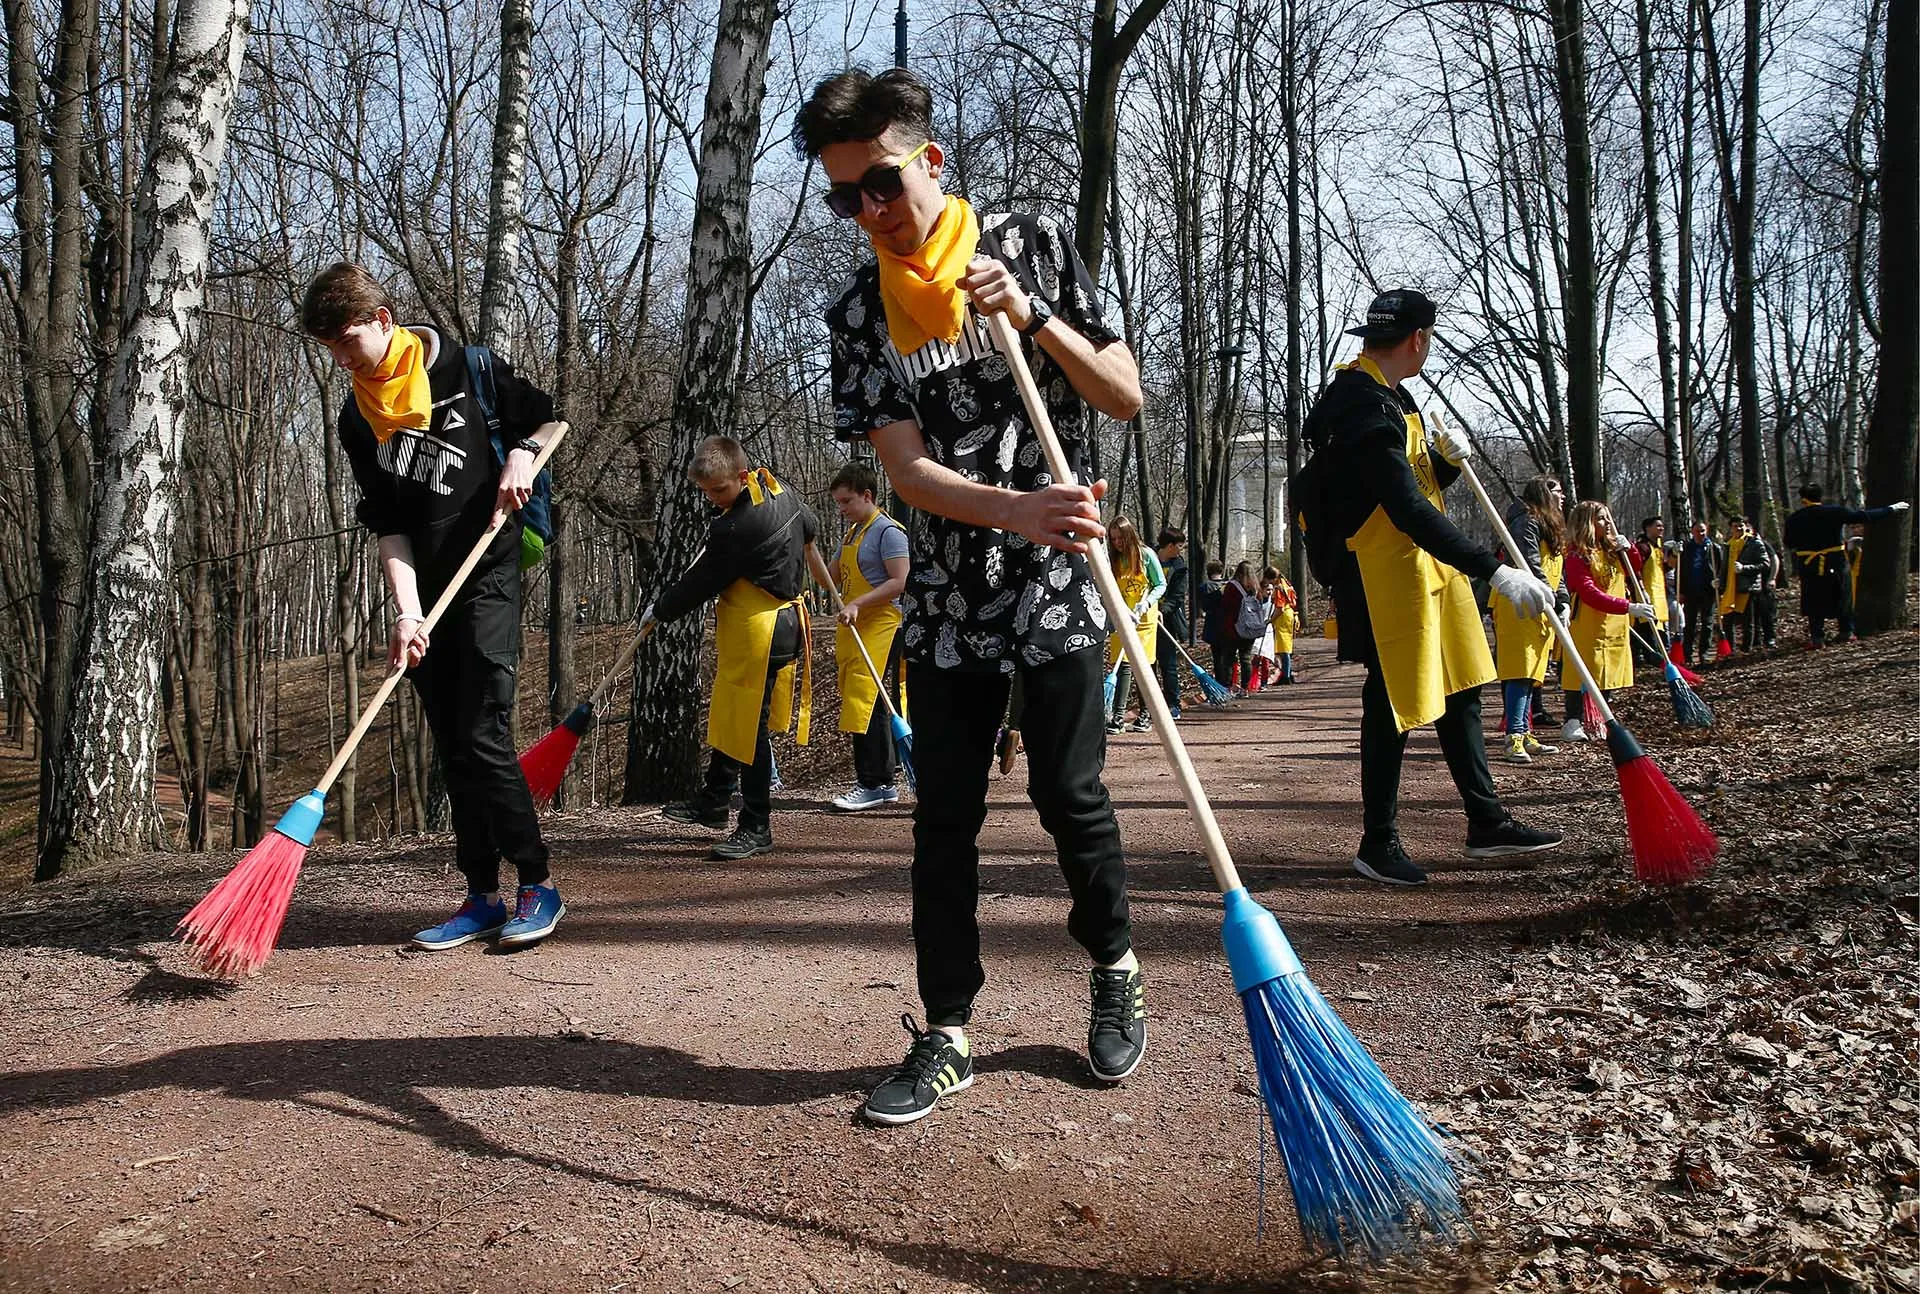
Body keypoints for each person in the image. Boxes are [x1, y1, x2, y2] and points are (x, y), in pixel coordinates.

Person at [802, 67, 1148, 1124]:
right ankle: (946, 1029)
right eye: (843, 197)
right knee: (943, 817)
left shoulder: (1032, 239)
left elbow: (1124, 394)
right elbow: (905, 472)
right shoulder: (859, 311)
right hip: (952, 591)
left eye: (883, 185)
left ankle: (1116, 964)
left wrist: (1035, 315)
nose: (870, 213)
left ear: (932, 162)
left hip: (1055, 578)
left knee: (1067, 794)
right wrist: (1013, 509)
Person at [301, 262, 566, 951]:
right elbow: (389, 524)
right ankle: (480, 896)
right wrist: (406, 613)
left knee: (483, 731)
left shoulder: (466, 367)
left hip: (487, 568)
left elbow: (549, 416)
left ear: (383, 320)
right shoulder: (357, 419)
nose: (340, 358)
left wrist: (522, 457)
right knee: (452, 745)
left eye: (346, 340)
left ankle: (537, 884)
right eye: (329, 348)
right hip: (427, 590)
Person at [1301, 287, 1562, 887]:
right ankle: (1378, 840)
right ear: (1418, 339)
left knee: (1460, 688)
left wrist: (1444, 463)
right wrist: (1493, 569)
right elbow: (1403, 508)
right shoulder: (1361, 404)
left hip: (1424, 571)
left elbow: (1410, 484)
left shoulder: (1394, 396)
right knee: (1392, 701)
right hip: (1381, 571)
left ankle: (1486, 820)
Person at [650, 436, 833, 861]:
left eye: (719, 491)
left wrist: (660, 611)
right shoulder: (779, 488)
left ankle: (756, 824)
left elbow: (703, 581)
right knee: (736, 712)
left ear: (742, 475)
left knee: (750, 726)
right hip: (775, 625)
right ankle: (714, 801)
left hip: (764, 631)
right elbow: (810, 527)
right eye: (706, 492)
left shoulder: (736, 528)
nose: (713, 499)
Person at [824, 461, 912, 811]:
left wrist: (859, 602)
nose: (842, 510)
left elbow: (900, 580)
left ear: (867, 496)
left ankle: (876, 782)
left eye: (846, 502)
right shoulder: (852, 533)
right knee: (858, 701)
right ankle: (875, 781)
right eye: (838, 504)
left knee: (871, 704)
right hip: (855, 629)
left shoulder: (888, 532)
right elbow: (829, 577)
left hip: (883, 626)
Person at [1559, 502, 1658, 742]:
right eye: (1601, 519)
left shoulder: (1613, 549)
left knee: (1610, 667)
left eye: (1607, 518)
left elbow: (1633, 567)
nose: (1607, 523)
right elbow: (1588, 591)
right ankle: (1573, 719)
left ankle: (1602, 716)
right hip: (1587, 619)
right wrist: (1629, 607)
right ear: (1587, 523)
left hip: (1614, 621)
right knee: (1580, 669)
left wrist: (1630, 549)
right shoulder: (1576, 554)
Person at [1491, 475, 1566, 765]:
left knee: (1534, 671)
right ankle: (1514, 737)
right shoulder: (1527, 522)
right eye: (1558, 491)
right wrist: (1548, 595)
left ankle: (1526, 732)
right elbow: (1530, 562)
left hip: (1543, 604)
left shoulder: (1551, 526)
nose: (1563, 496)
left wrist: (1563, 602)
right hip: (1520, 604)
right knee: (1520, 671)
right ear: (1544, 493)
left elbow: (1556, 567)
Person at [1782, 483, 1912, 646]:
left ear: (1802, 499)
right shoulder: (1834, 511)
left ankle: (1817, 637)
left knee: (1814, 598)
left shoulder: (1794, 519)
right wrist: (1891, 509)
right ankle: (1846, 631)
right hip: (1835, 560)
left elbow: (1788, 543)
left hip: (1809, 564)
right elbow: (1864, 516)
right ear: (1820, 497)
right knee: (1842, 594)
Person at [1103, 518, 1166, 733]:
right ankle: (1118, 717)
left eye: (1120, 538)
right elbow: (1110, 589)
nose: (1117, 543)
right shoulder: (1112, 559)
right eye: (1113, 539)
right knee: (1123, 665)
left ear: (1129, 535)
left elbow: (1160, 584)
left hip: (1144, 620)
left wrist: (1145, 603)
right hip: (1122, 618)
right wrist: (1121, 608)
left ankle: (1144, 714)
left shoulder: (1146, 555)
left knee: (1142, 666)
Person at [1153, 528, 1190, 717]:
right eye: (1179, 546)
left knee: (1168, 664)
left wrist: (1162, 611)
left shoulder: (1180, 567)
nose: (1180, 550)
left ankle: (1173, 704)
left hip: (1166, 621)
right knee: (1147, 665)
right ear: (1169, 545)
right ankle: (1149, 706)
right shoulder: (1148, 557)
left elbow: (1177, 597)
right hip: (1145, 619)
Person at [1677, 520, 1723, 666]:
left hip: (1708, 591)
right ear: (1692, 531)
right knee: (1689, 623)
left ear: (1707, 530)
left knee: (1707, 622)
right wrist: (1682, 591)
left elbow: (1721, 568)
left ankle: (1704, 652)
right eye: (1697, 531)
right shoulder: (1687, 548)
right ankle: (1687, 654)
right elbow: (1681, 570)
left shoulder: (1714, 548)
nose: (1700, 534)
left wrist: (1719, 584)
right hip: (1691, 591)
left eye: (1703, 531)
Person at [1626, 517, 1669, 664]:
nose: (1661, 529)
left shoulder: (1657, 548)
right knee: (1644, 625)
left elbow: (1664, 568)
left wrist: (1675, 556)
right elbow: (1635, 569)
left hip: (1658, 593)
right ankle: (1643, 656)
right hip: (1645, 592)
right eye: (1658, 526)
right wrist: (1641, 590)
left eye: (1662, 526)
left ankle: (1649, 655)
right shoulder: (1643, 547)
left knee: (1653, 624)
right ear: (1648, 528)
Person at [1197, 560, 1232, 700]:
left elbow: (1204, 606)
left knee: (1217, 657)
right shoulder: (1228, 586)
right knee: (1228, 656)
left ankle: (1220, 685)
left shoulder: (1204, 587)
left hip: (1213, 626)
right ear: (1222, 571)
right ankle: (1228, 684)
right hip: (1228, 625)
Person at [1228, 561, 1262, 691]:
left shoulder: (1233, 587)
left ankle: (1230, 686)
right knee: (1246, 658)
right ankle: (1245, 688)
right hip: (1250, 627)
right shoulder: (1255, 588)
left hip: (1234, 626)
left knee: (1230, 657)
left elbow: (1227, 606)